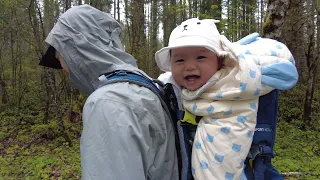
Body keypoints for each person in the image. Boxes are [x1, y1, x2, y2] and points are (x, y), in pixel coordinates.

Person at [39, 4, 179, 180]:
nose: (63, 68)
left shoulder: (109, 102)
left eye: (60, 57)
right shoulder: (145, 85)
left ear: (75, 50)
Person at [155, 18, 298, 180]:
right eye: (180, 60)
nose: (189, 66)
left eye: (201, 57)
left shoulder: (235, 83)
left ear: (220, 60)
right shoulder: (169, 90)